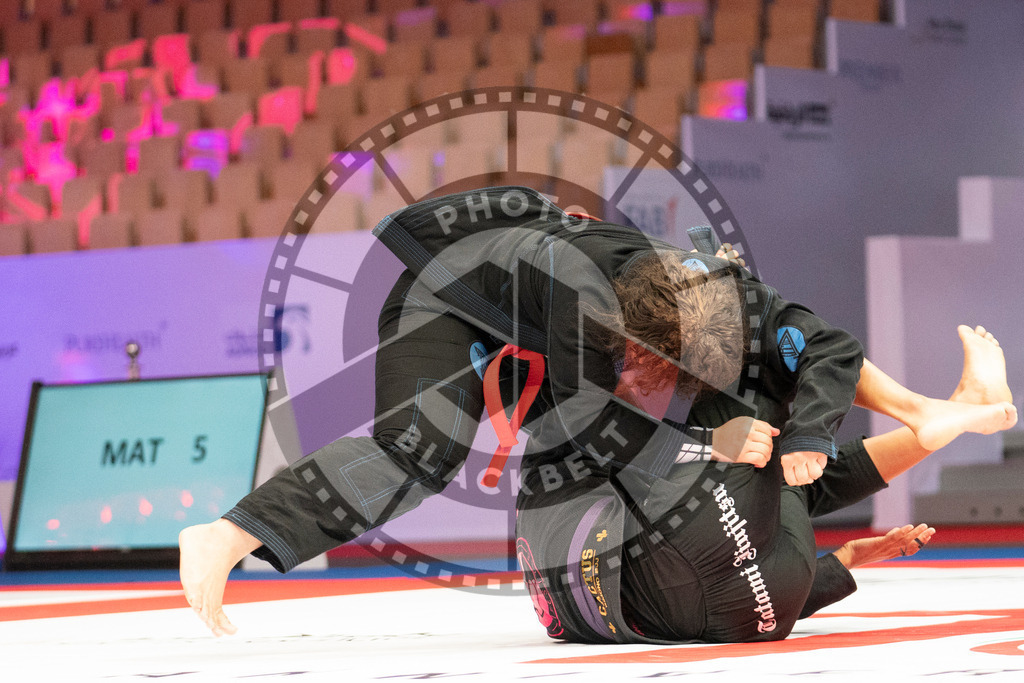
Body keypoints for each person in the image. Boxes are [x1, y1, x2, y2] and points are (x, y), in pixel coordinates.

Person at [179, 187, 1016, 641]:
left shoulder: (719, 292)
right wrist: (716, 442)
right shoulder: (583, 319)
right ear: (631, 347)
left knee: (769, 379)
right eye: (645, 371)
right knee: (420, 452)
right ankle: (229, 532)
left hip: (575, 290)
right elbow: (593, 440)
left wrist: (810, 433)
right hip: (448, 287)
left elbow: (824, 344)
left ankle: (944, 407)